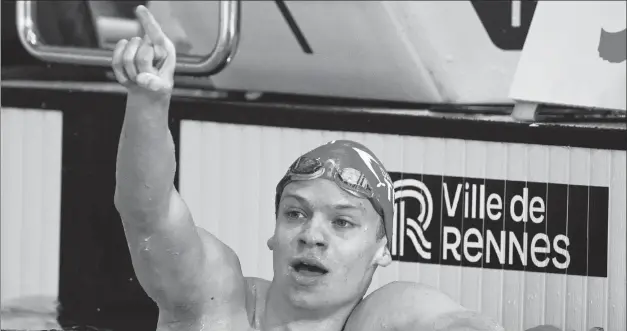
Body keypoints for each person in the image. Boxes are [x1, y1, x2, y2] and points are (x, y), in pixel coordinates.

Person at [112, 6, 504, 331]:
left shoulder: (388, 315)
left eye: (343, 222)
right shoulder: (217, 305)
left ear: (381, 251)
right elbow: (148, 213)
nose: (311, 236)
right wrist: (148, 101)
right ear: (273, 235)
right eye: (295, 213)